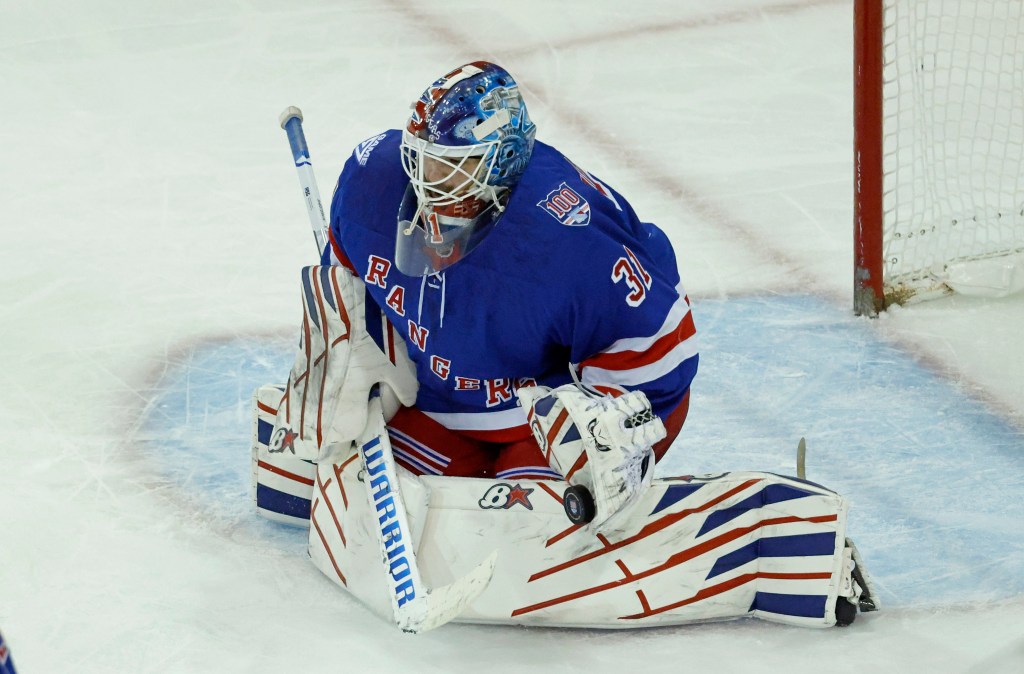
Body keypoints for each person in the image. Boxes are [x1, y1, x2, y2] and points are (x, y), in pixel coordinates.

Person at [320, 61, 698, 488]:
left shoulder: (569, 237)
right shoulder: (373, 182)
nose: (426, 185)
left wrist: (606, 430)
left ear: (502, 164)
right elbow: (344, 288)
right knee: (339, 474)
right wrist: (346, 353)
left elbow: (659, 355)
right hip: (434, 400)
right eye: (422, 162)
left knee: (524, 524)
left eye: (450, 168)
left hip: (542, 418)